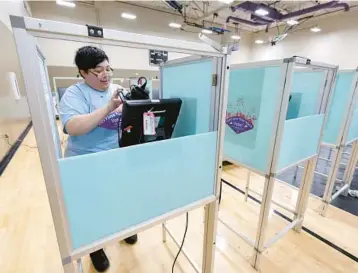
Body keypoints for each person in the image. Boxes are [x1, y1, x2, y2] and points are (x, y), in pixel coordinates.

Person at [59, 46, 138, 272]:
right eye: (98, 71)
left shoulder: (117, 89)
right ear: (83, 72)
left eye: (107, 69)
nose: (106, 75)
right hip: (86, 161)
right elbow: (73, 127)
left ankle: (124, 229)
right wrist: (108, 108)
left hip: (115, 157)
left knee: (120, 199)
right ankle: (95, 248)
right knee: (93, 208)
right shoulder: (75, 94)